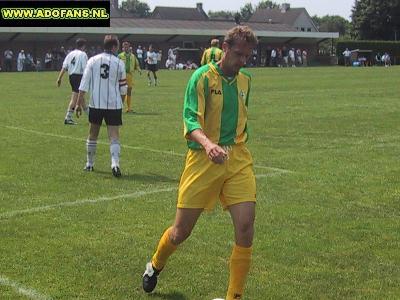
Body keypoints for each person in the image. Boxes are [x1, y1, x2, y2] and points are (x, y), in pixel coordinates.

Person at [142, 25, 258, 300]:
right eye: (239, 54)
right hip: (203, 159)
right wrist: (208, 144)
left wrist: (226, 147)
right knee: (180, 232)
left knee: (245, 226)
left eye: (247, 57)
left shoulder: (246, 81)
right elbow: (191, 119)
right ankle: (156, 264)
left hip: (238, 158)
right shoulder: (201, 78)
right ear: (225, 49)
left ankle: (234, 297)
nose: (243, 61)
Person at [75, 35, 127, 177]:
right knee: (114, 135)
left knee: (93, 134)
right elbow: (123, 88)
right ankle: (115, 164)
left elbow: (83, 85)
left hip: (96, 103)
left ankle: (90, 164)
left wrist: (79, 104)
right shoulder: (119, 63)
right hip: (114, 104)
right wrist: (120, 102)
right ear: (114, 47)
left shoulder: (92, 60)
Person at [56, 38, 88, 125]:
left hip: (71, 77)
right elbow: (85, 68)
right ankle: (68, 118)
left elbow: (64, 66)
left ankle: (91, 118)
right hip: (79, 76)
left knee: (81, 98)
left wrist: (59, 78)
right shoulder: (83, 54)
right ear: (83, 46)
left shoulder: (70, 54)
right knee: (75, 98)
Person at [118, 41, 141, 113]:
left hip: (129, 75)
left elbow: (137, 64)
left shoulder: (133, 56)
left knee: (129, 91)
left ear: (129, 47)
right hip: (121, 75)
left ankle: (129, 108)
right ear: (122, 48)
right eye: (124, 47)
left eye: (127, 47)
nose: (126, 48)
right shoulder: (119, 56)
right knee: (121, 91)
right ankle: (119, 106)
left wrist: (139, 69)